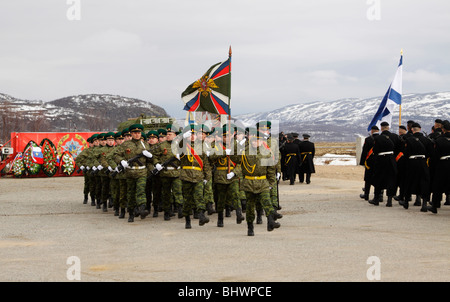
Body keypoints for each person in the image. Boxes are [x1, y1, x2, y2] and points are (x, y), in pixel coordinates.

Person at [240, 130, 281, 236]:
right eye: (253, 140)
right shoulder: (244, 151)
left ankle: (271, 222)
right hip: (249, 182)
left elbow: (270, 170)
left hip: (262, 182)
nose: (255, 142)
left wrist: (272, 183)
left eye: (257, 140)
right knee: (250, 207)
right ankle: (250, 227)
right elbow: (237, 162)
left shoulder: (267, 152)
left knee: (267, 202)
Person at [113, 124, 154, 222]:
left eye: (139, 133)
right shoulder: (126, 145)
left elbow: (151, 161)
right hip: (130, 172)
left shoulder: (145, 145)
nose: (137, 135)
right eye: (135, 133)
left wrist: (150, 156)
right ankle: (131, 213)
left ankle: (142, 208)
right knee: (130, 193)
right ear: (131, 134)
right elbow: (116, 155)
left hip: (142, 171)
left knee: (141, 190)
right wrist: (121, 161)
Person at [209, 124, 244, 227]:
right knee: (221, 198)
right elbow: (211, 156)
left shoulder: (237, 146)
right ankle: (220, 218)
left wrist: (235, 172)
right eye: (225, 136)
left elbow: (240, 162)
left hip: (232, 175)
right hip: (220, 175)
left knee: (235, 194)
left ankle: (239, 213)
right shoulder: (215, 145)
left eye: (229, 136)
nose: (227, 138)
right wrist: (224, 152)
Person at [177, 124, 212, 229]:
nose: (192, 137)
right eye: (190, 135)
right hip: (186, 175)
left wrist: (207, 177)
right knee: (187, 199)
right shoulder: (183, 146)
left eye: (194, 134)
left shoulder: (201, 146)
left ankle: (201, 216)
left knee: (199, 196)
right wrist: (183, 139)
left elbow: (205, 164)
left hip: (198, 176)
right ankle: (187, 220)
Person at [152, 124, 183, 221]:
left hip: (177, 173)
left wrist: (181, 157)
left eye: (170, 134)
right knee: (166, 194)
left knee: (178, 192)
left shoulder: (180, 145)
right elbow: (155, 156)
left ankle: (181, 209)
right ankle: (167, 212)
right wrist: (157, 163)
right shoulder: (162, 145)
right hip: (165, 173)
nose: (168, 136)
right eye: (167, 134)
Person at [400, 123, 433, 211]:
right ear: (420, 129)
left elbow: (406, 153)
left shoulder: (409, 140)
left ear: (412, 130)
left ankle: (406, 202)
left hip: (412, 162)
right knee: (424, 181)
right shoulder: (426, 140)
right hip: (422, 162)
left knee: (409, 181)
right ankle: (424, 204)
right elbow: (430, 153)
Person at [369, 122, 401, 207]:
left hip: (381, 160)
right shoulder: (395, 136)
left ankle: (376, 199)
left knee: (379, 178)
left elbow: (375, 150)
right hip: (391, 159)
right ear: (388, 128)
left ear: (381, 128)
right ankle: (389, 201)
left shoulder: (377, 138)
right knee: (391, 179)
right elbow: (399, 149)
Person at [428, 120, 450, 213]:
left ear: (443, 129)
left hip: (443, 164)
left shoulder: (439, 140)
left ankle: (435, 206)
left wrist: (432, 167)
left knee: (438, 185)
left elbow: (435, 156)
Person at [359, 126, 379, 200]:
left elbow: (365, 152)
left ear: (372, 131)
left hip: (370, 162)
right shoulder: (381, 138)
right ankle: (379, 196)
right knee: (378, 178)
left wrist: (362, 162)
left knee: (368, 179)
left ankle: (366, 195)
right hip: (379, 161)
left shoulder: (368, 139)